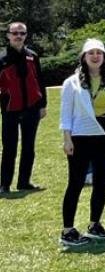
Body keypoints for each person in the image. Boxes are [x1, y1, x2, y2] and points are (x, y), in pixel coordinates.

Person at [59, 39, 105, 247]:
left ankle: (95, 224)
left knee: (101, 181)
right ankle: (67, 230)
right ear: (84, 57)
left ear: (104, 57)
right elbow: (65, 114)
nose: (95, 57)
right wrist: (67, 138)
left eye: (99, 53)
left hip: (104, 134)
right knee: (76, 182)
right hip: (80, 135)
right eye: (91, 53)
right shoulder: (72, 82)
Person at [0, 22, 47, 193]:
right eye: (15, 33)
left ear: (26, 35)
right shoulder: (2, 59)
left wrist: (43, 105)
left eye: (22, 33)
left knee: (29, 147)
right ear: (8, 35)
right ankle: (4, 184)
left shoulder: (32, 56)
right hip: (10, 109)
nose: (18, 36)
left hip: (32, 108)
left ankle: (24, 182)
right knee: (9, 147)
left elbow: (40, 81)